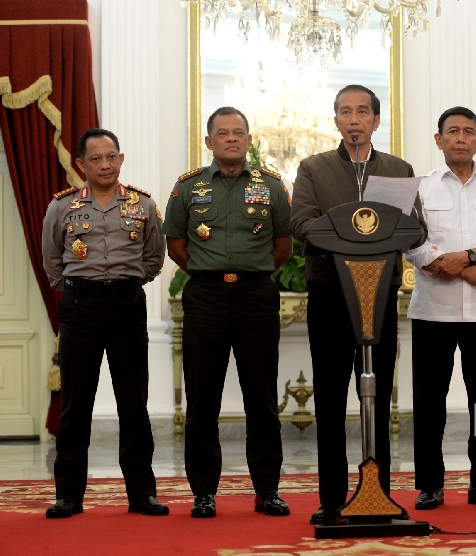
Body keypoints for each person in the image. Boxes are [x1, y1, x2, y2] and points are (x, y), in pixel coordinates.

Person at [289, 84, 425, 525]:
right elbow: (301, 222)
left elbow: (415, 227)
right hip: (331, 293)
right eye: (345, 112)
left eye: (362, 112)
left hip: (378, 294)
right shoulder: (314, 168)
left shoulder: (398, 169)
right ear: (335, 121)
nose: (354, 120)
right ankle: (331, 497)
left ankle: (378, 493)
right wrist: (348, 234)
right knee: (329, 397)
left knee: (377, 396)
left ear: (375, 121)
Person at [164, 107, 293, 518]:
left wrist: (251, 274)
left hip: (257, 297)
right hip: (205, 297)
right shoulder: (188, 188)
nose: (232, 139)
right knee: (203, 399)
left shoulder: (272, 187)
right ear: (209, 142)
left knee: (262, 396)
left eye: (239, 133)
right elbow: (177, 247)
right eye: (223, 133)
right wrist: (212, 274)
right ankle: (204, 492)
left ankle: (267, 491)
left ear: (250, 140)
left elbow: (283, 247)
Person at [42, 128, 168, 518]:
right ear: (81, 164)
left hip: (127, 306)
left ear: (121, 158)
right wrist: (84, 288)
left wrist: (124, 285)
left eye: (111, 156)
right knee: (75, 406)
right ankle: (68, 495)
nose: (105, 165)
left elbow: (153, 258)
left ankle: (141, 494)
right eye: (96, 159)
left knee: (134, 403)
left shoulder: (143, 205)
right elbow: (52, 262)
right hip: (80, 308)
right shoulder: (61, 207)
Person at [405, 106, 476, 510]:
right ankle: (430, 485)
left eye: (468, 132)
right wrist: (466, 269)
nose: (460, 138)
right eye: (452, 131)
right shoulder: (419, 186)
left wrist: (464, 259)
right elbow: (412, 243)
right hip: (433, 310)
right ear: (438, 140)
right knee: (430, 403)